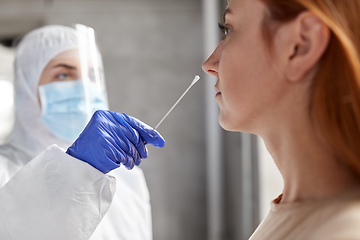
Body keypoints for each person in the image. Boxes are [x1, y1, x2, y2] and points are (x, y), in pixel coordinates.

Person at [203, 0, 360, 239]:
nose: (209, 64)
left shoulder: (342, 231)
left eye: (229, 29)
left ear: (300, 45)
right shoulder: (295, 213)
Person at [0, 25, 165, 239]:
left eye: (92, 76)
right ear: (26, 87)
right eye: (63, 74)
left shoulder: (128, 180)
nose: (83, 88)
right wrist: (74, 172)